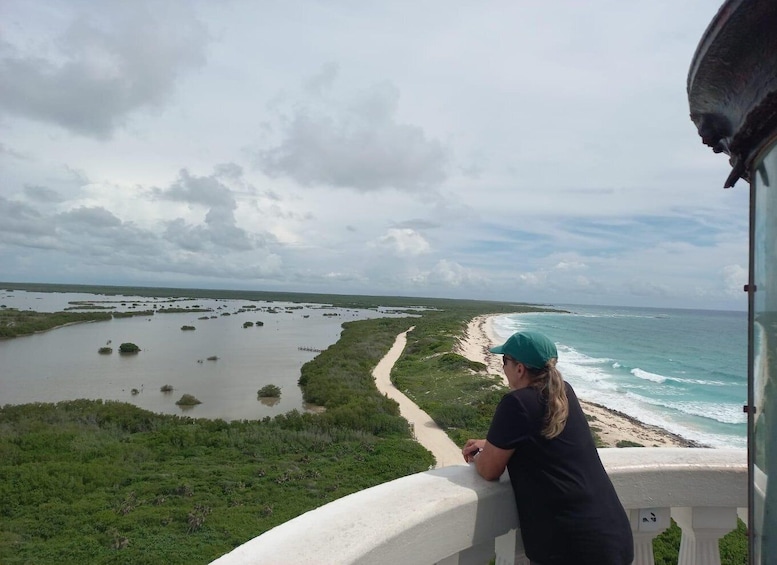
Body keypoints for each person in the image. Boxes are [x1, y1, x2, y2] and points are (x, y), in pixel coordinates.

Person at [462, 331, 633, 565]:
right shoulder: (564, 392)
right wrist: (492, 442)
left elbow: (489, 470)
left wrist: (481, 454)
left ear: (520, 368)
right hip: (612, 534)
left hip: (571, 548)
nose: (503, 368)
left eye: (505, 362)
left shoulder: (516, 403)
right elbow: (545, 438)